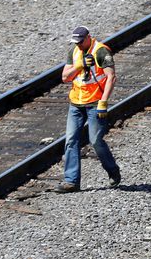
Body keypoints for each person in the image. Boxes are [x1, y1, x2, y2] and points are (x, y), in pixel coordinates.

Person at [55, 26, 120, 193]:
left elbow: (111, 77)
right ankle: (71, 181)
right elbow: (65, 77)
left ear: (88, 38)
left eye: (80, 41)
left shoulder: (101, 51)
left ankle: (112, 170)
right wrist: (79, 65)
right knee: (71, 140)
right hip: (76, 103)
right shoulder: (74, 52)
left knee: (96, 141)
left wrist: (103, 103)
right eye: (75, 42)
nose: (78, 45)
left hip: (95, 103)